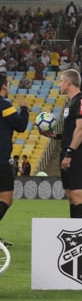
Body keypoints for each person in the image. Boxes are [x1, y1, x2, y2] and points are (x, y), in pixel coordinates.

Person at [43, 69, 82, 218]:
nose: (59, 85)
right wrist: (56, 136)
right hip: (68, 151)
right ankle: (75, 231)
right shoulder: (71, 103)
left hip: (78, 153)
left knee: (78, 193)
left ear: (68, 82)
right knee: (71, 195)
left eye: (61, 81)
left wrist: (70, 152)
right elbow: (72, 131)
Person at [0, 74, 28, 246]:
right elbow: (21, 126)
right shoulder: (5, 106)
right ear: (4, 86)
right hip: (1, 160)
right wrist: (24, 109)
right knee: (6, 199)